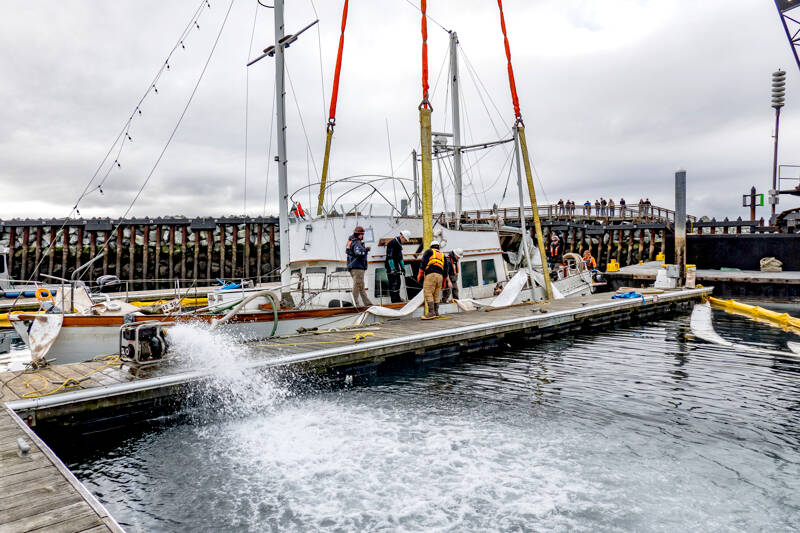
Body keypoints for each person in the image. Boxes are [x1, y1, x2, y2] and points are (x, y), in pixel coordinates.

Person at [417, 240, 448, 319]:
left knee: (428, 292)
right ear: (438, 247)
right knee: (436, 294)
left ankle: (431, 312)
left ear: (431, 246)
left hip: (431, 275)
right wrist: (444, 281)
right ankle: (436, 312)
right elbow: (446, 270)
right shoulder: (443, 255)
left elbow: (423, 263)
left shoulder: (429, 252)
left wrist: (420, 274)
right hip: (440, 276)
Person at [346, 226, 372, 307]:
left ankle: (368, 304)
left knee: (361, 286)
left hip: (352, 267)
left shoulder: (351, 242)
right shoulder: (357, 243)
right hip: (358, 268)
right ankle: (355, 304)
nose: (363, 236)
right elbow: (359, 253)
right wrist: (366, 249)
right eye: (362, 234)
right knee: (357, 286)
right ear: (360, 234)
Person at [385, 230, 411, 303]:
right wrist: (392, 269)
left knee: (398, 282)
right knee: (393, 282)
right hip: (390, 266)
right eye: (405, 240)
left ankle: (397, 297)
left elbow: (400, 257)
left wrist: (403, 268)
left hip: (395, 265)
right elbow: (389, 256)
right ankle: (394, 299)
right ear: (402, 237)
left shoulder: (399, 244)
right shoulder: (392, 243)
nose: (405, 241)